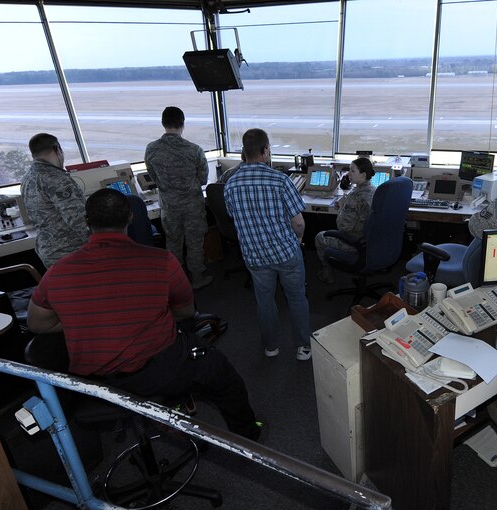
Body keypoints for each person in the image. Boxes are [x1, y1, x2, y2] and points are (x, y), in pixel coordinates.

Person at [27, 188, 262, 440]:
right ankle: (248, 436)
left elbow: (36, 324)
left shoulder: (57, 272)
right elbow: (186, 311)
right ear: (131, 218)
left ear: (87, 222)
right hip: (156, 370)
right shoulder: (161, 261)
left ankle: (172, 407)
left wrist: (84, 322)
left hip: (94, 382)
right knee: (220, 372)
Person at [223, 128, 312, 361]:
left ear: (244, 152)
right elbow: (298, 222)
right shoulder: (280, 180)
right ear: (265, 151)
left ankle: (271, 347)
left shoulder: (230, 185)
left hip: (255, 256)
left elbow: (236, 219)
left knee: (264, 301)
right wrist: (298, 241)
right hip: (286, 253)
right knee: (296, 297)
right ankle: (303, 347)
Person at [144, 106, 212, 290]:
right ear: (182, 123)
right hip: (192, 205)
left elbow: (154, 177)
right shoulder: (194, 150)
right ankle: (197, 277)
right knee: (195, 242)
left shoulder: (151, 149)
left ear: (163, 124)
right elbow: (203, 179)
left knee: (172, 242)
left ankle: (177, 281)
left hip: (169, 205)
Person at [19, 133, 89, 268]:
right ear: (57, 149)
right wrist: (101, 245)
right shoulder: (57, 179)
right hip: (71, 252)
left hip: (49, 252)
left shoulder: (27, 178)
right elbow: (78, 219)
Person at [314, 157, 376, 284]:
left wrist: (342, 206)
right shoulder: (374, 190)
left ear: (363, 174)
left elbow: (343, 227)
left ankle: (327, 273)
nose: (348, 173)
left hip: (354, 242)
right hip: (371, 240)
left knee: (319, 237)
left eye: (352, 171)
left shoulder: (355, 196)